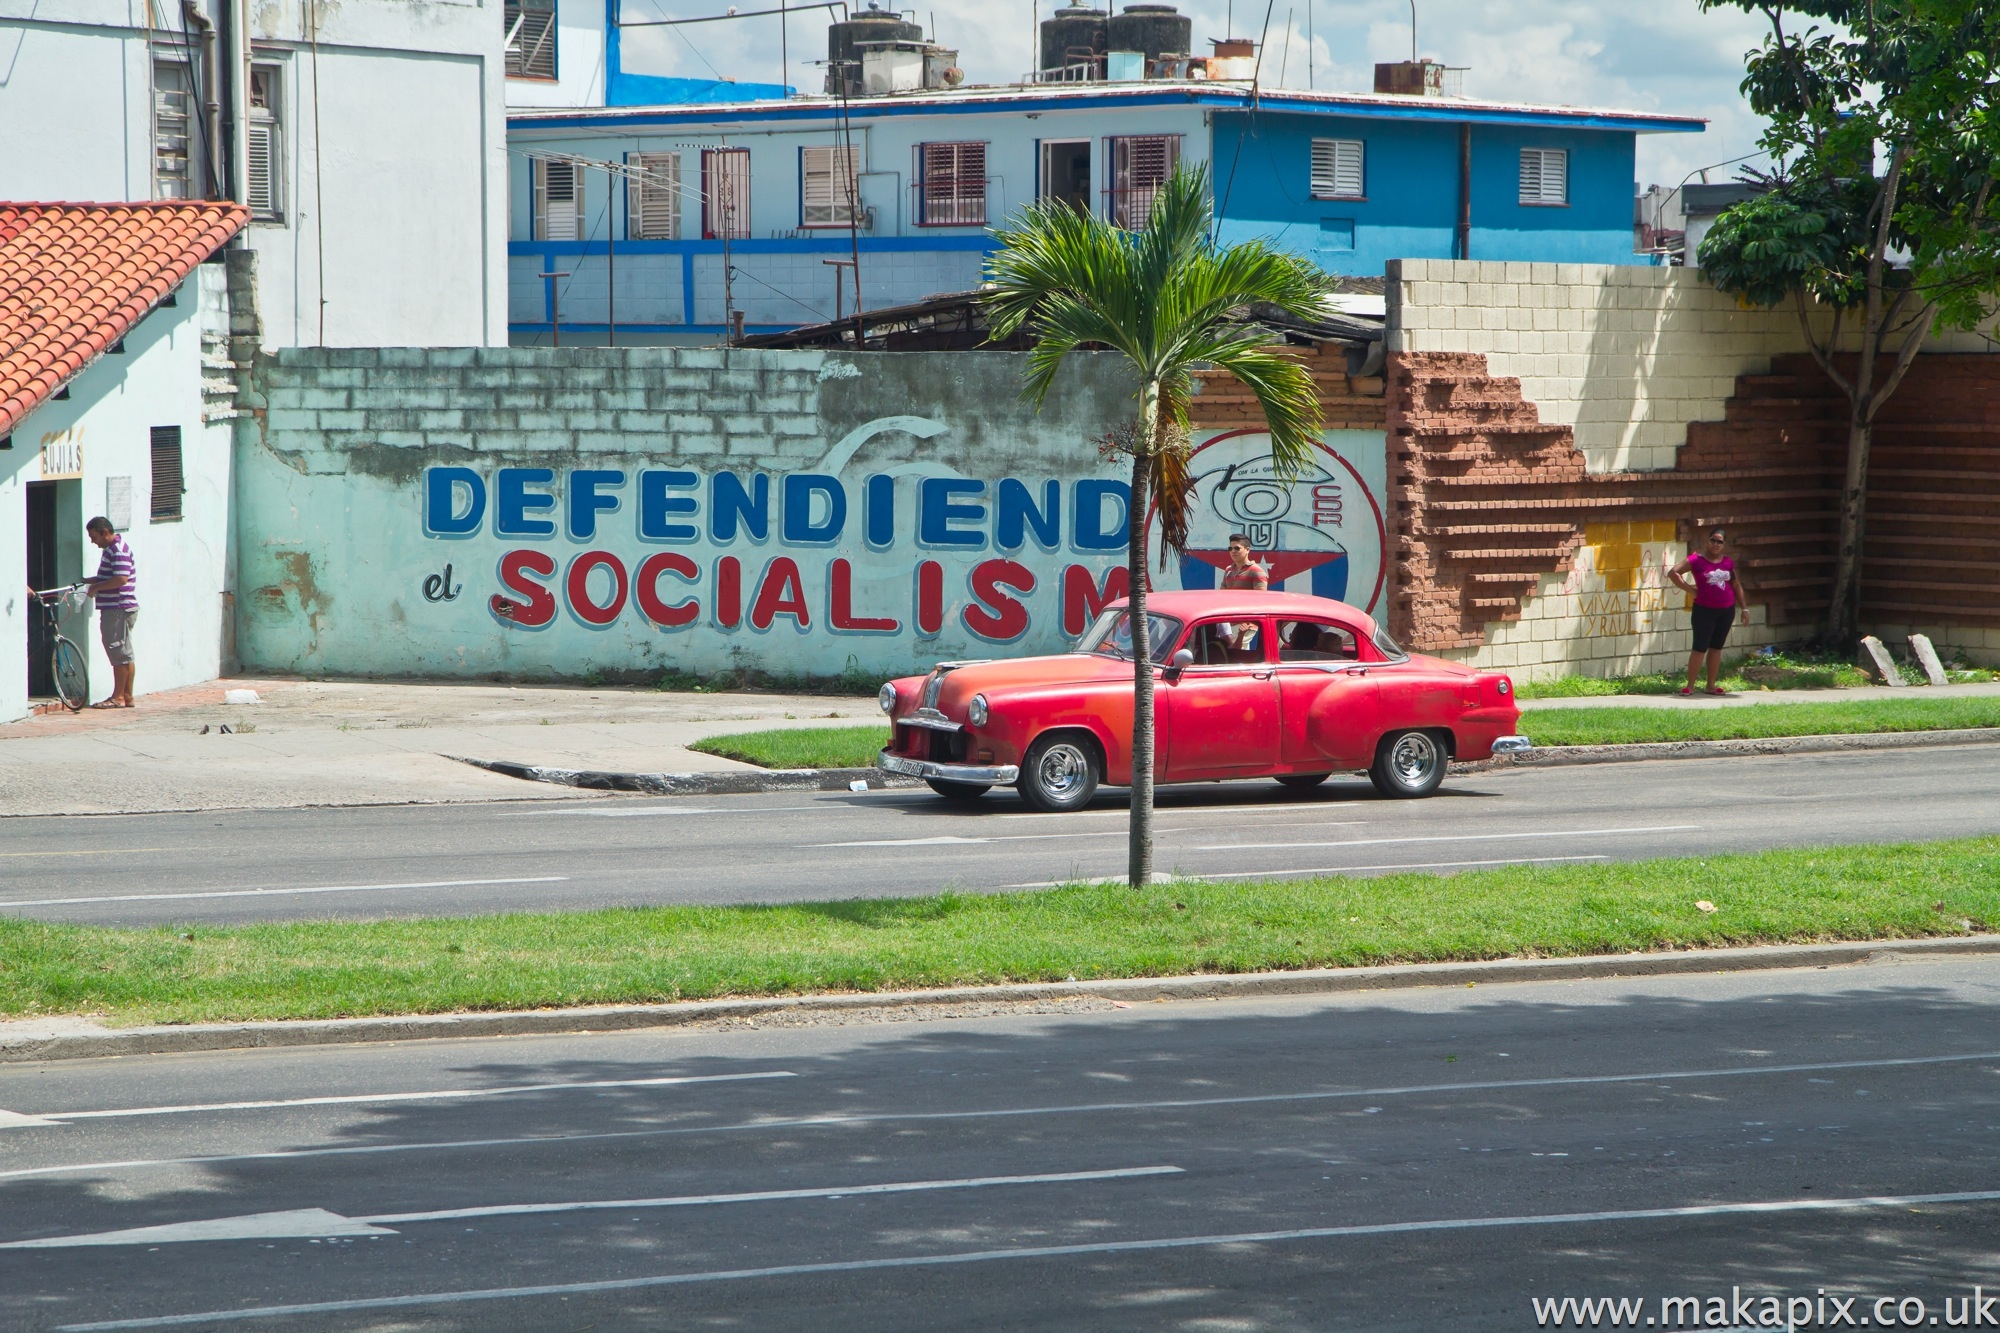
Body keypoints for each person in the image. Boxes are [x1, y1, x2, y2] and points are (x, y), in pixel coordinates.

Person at [1669, 527, 1750, 697]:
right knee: (1699, 647)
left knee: (1716, 647)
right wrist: (1691, 590)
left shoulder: (1728, 562)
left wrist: (1744, 608)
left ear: (1724, 544)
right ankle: (1690, 686)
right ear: (1708, 540)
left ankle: (1710, 685)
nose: (1715, 544)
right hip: (1704, 610)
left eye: (1719, 541)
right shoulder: (1697, 560)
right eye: (1713, 540)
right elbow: (1673, 573)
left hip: (1726, 611)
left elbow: (1735, 585)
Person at [82, 516, 137, 708]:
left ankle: (118, 697)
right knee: (125, 652)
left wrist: (97, 588)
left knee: (118, 651)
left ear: (105, 532)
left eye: (94, 536)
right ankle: (127, 696)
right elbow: (112, 576)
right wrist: (92, 580)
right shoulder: (111, 550)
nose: (92, 541)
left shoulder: (117, 551)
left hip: (117, 608)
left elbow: (121, 579)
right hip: (117, 608)